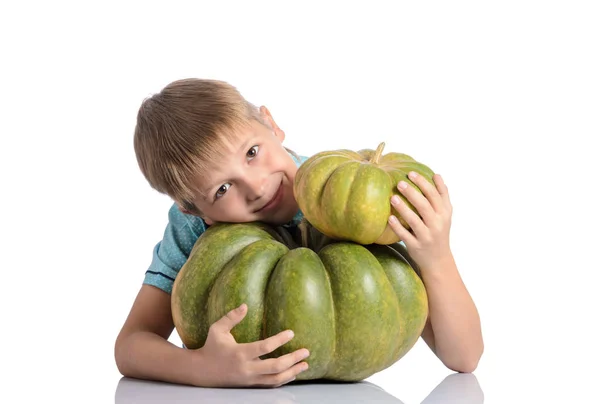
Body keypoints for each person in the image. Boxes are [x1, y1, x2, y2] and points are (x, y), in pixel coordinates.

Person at [114, 78, 484, 388]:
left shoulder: (346, 198)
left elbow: (463, 357)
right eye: (222, 190)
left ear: (271, 124)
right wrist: (203, 368)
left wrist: (436, 257)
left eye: (252, 152)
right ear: (194, 210)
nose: (257, 187)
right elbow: (131, 345)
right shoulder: (192, 228)